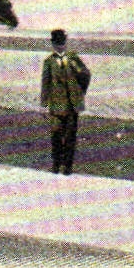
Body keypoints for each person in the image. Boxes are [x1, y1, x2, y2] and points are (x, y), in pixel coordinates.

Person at [39, 29, 91, 174]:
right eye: (57, 43)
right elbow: (45, 83)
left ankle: (67, 166)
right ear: (53, 44)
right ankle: (56, 165)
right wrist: (44, 104)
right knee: (56, 135)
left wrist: (80, 93)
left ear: (65, 43)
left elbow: (86, 74)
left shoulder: (73, 58)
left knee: (70, 137)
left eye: (62, 43)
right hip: (56, 105)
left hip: (72, 105)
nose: (60, 46)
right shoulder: (48, 62)